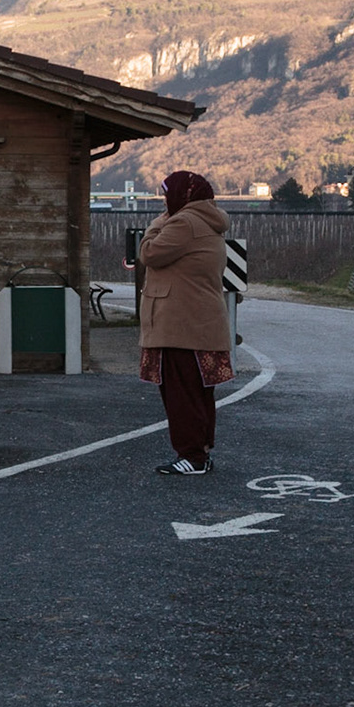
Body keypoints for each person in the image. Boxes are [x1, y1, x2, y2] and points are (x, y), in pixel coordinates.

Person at [137, 169, 233, 476]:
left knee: (181, 394)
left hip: (179, 325)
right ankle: (200, 453)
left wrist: (156, 222)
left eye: (167, 195)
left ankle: (191, 456)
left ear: (180, 196)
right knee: (198, 393)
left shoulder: (182, 222)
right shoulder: (208, 220)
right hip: (200, 323)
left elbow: (149, 253)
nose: (166, 201)